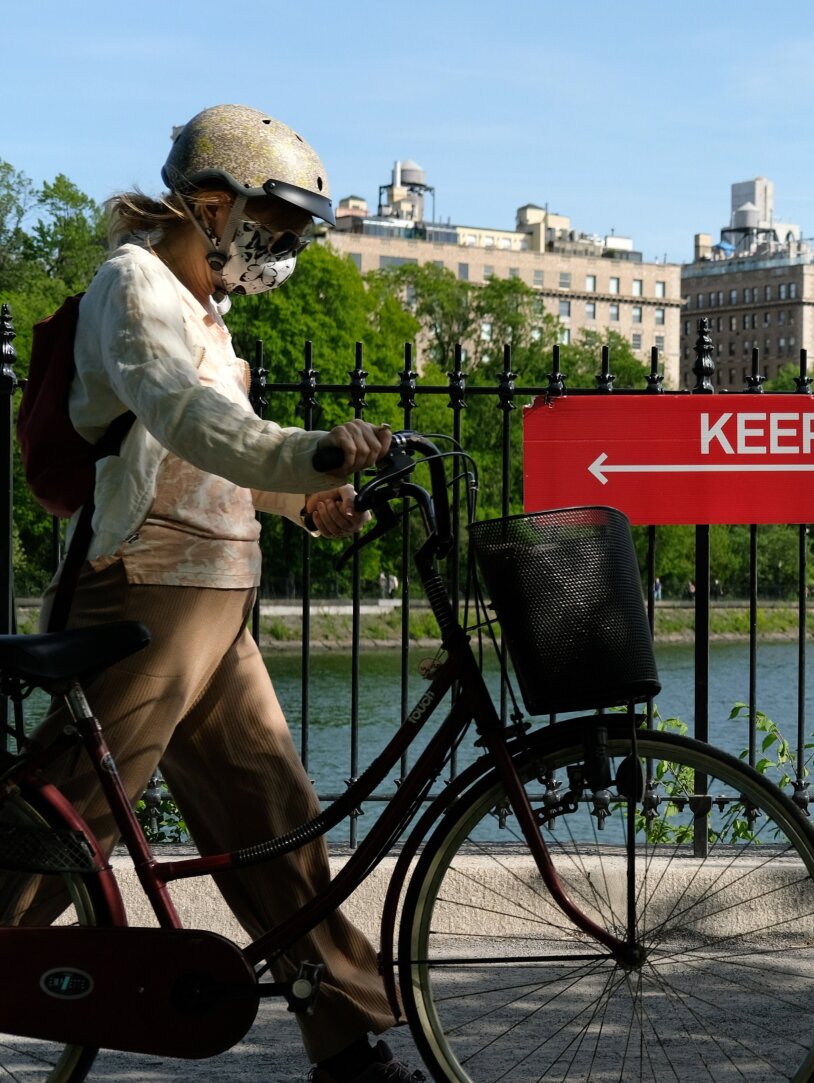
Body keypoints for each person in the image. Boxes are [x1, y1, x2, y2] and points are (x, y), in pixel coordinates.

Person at [4, 106, 417, 1083]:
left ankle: (347, 1050)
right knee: (65, 828)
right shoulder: (132, 287)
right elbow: (187, 422)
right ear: (213, 205)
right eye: (277, 228)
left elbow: (226, 457)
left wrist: (302, 497)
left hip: (215, 596)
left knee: (275, 828)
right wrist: (307, 448)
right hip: (142, 592)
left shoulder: (208, 316)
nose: (288, 251)